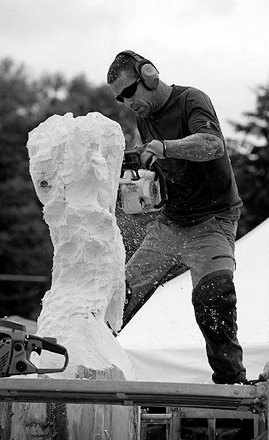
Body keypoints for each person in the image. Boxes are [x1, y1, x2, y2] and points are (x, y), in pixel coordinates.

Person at [107, 50, 247, 385]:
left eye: (129, 92)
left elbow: (212, 146)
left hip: (213, 221)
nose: (127, 103)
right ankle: (89, 356)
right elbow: (163, 161)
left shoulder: (191, 100)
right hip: (171, 222)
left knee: (214, 297)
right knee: (118, 292)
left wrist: (164, 148)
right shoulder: (144, 118)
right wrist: (147, 179)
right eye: (120, 99)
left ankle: (231, 385)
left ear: (150, 75)